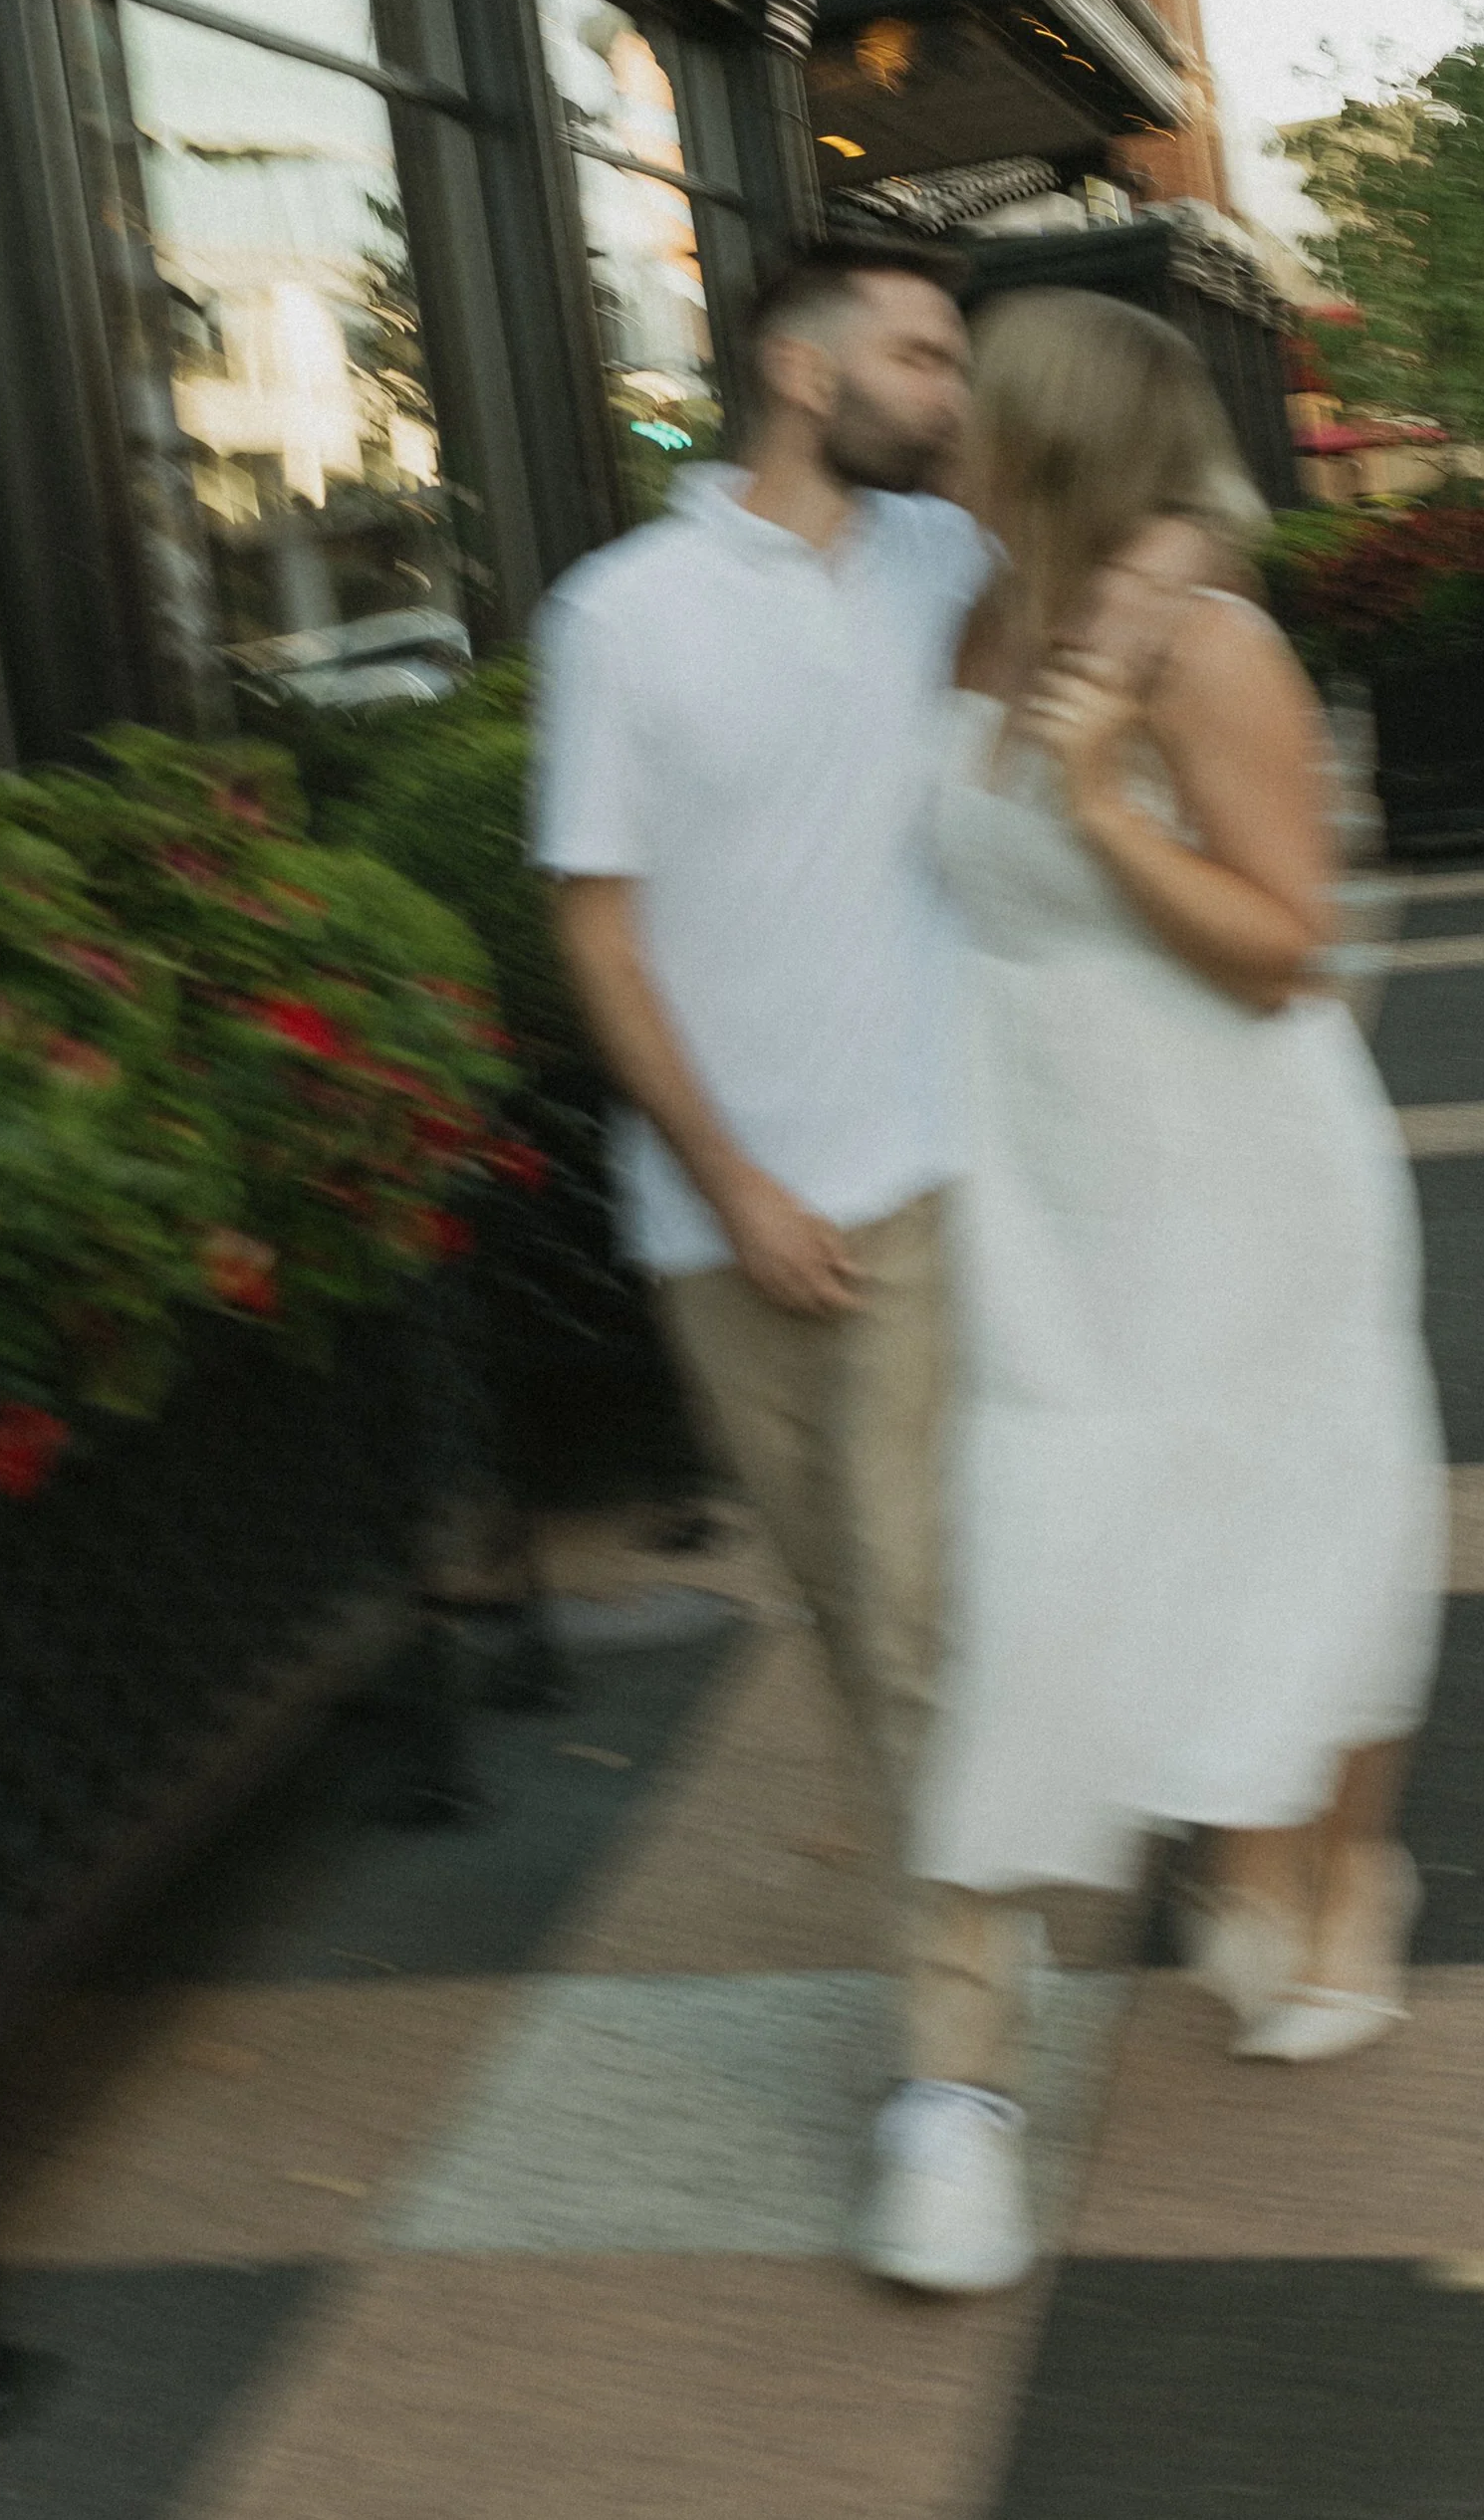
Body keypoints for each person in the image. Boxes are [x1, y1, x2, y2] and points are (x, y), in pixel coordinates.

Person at [530, 237, 1042, 2295]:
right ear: (790, 356)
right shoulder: (617, 617)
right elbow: (596, 929)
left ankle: (951, 2094)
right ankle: (999, 1875)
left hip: (930, 1176)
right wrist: (731, 1182)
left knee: (911, 1622)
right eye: (913, 346)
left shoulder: (945, 564)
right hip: (722, 1223)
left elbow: (1136, 538)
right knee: (854, 1624)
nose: (940, 378)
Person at [917, 288, 1446, 2056]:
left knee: (1307, 1501)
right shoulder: (978, 613)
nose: (946, 429)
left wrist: (1106, 809)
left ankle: (1340, 1874)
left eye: (974, 402)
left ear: (1044, 433)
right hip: (1053, 1166)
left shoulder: (1204, 644)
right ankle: (1237, 1853)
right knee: (1112, 1512)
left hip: (1233, 1150)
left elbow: (1288, 941)